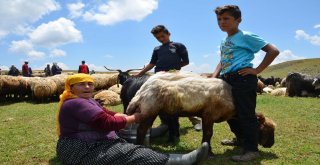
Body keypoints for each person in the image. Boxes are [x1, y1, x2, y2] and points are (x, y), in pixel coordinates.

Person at [56, 73, 209, 165]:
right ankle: (183, 160)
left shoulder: (87, 100)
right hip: (82, 148)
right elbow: (105, 123)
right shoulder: (76, 103)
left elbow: (104, 111)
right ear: (71, 88)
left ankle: (158, 144)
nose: (88, 87)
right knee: (129, 153)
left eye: (90, 84)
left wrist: (117, 115)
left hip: (89, 141)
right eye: (81, 84)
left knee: (127, 144)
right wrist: (134, 118)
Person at [209, 5, 279, 162]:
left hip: (243, 79)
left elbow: (273, 50)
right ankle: (240, 139)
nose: (221, 22)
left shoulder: (246, 36)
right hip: (226, 79)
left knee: (246, 115)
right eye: (219, 19)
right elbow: (222, 60)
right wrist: (214, 77)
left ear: (238, 20)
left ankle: (252, 149)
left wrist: (257, 70)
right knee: (230, 113)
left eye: (226, 18)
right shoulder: (224, 40)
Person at [135, 25, 202, 133]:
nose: (161, 39)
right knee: (158, 99)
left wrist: (174, 69)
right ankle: (165, 123)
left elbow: (186, 61)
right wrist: (140, 73)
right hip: (159, 76)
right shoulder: (157, 49)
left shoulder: (178, 46)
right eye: (158, 38)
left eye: (163, 36)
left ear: (168, 34)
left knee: (182, 98)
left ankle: (195, 120)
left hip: (174, 76)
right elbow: (152, 63)